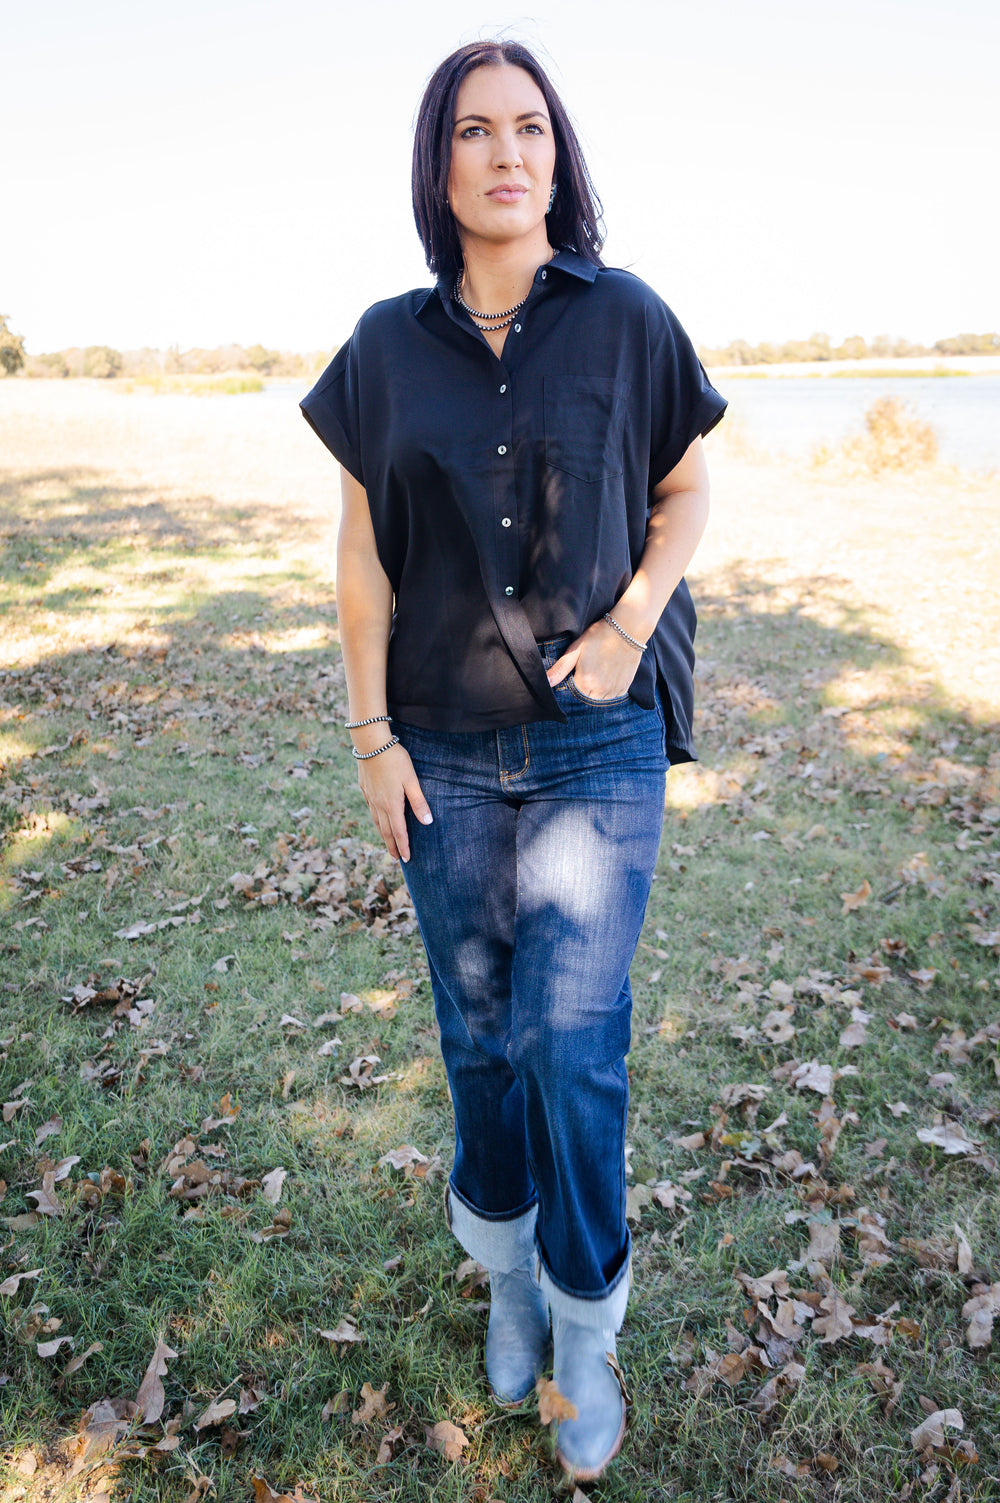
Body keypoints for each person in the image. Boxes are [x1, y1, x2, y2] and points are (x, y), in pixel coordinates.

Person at [300, 39, 726, 1482]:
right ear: (439, 165)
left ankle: (585, 1325)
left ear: (559, 155)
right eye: (474, 131)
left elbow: (685, 485)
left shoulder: (627, 320)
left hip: (597, 744)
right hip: (439, 747)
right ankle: (505, 1274)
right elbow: (361, 558)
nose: (505, 153)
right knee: (481, 1036)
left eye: (529, 128)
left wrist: (629, 626)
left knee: (572, 1041)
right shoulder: (381, 345)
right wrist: (367, 733)